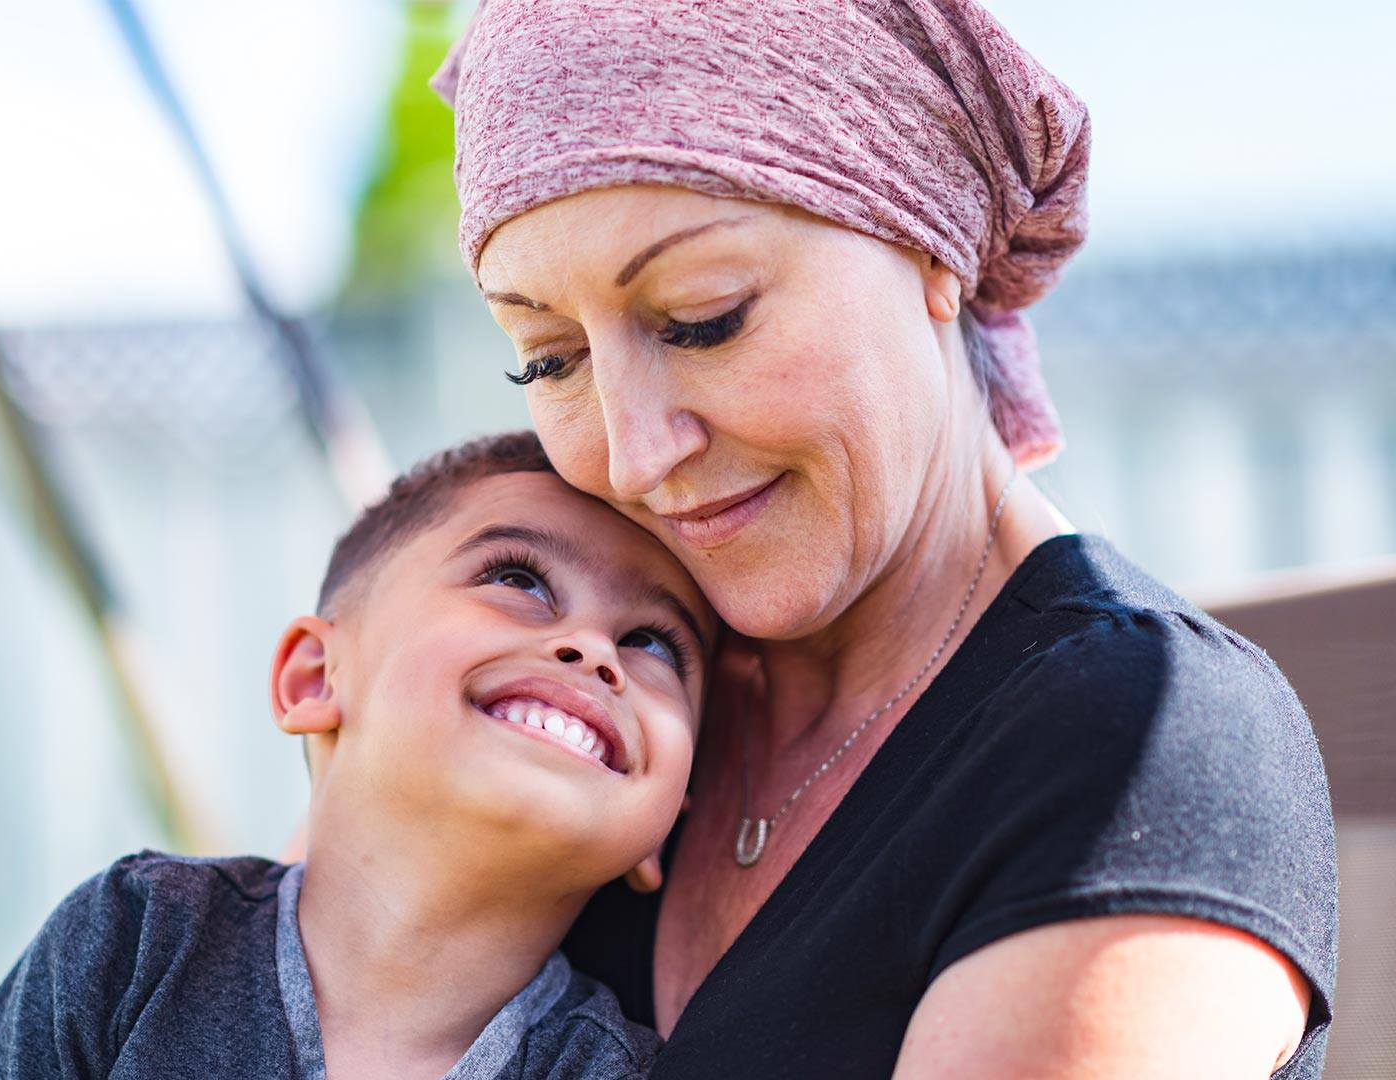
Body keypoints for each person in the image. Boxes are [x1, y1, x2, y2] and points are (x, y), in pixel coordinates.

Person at [434, 1, 1340, 1076]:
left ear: (929, 247)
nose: (636, 457)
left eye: (704, 318)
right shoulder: (590, 689)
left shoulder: (1140, 744)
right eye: (548, 358)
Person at [0, 432, 717, 1079]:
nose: (592, 649)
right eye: (519, 578)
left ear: (666, 825)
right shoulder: (134, 942)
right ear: (316, 678)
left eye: (654, 643)